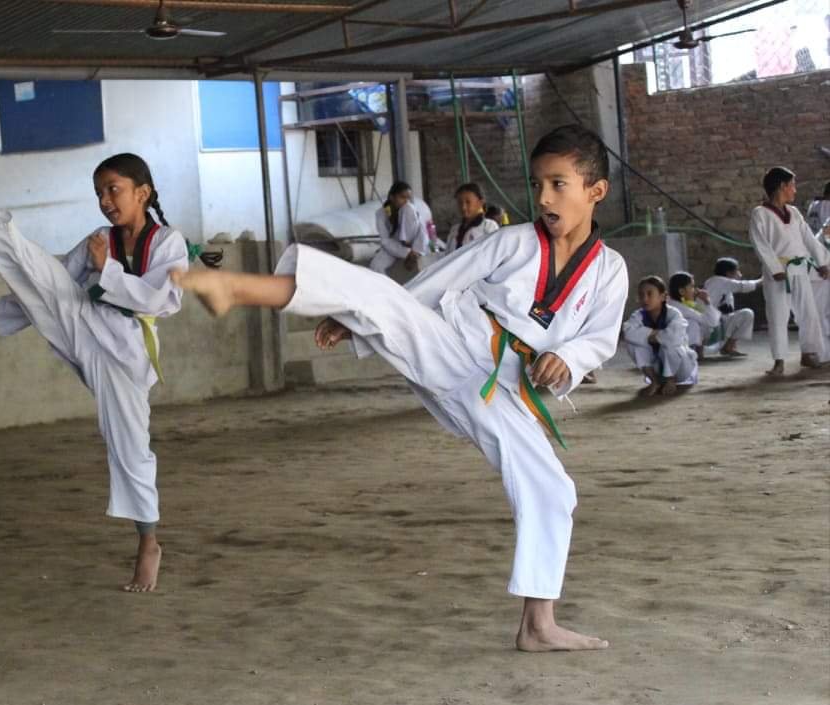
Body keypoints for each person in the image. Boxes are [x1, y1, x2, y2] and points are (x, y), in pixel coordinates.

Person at [172, 124, 627, 652]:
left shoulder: (609, 271)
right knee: (380, 293)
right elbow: (437, 281)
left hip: (504, 392)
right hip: (453, 344)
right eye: (538, 184)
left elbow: (599, 339)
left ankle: (537, 625)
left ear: (595, 191)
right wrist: (357, 320)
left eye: (558, 184)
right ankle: (236, 286)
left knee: (553, 489)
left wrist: (565, 358)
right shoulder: (514, 241)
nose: (544, 197)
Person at [0, 148, 208, 593]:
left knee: (129, 448)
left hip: (124, 352)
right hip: (84, 325)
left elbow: (162, 300)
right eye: (98, 193)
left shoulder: (167, 242)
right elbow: (51, 279)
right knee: (38, 270)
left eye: (112, 190)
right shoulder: (100, 237)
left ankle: (148, 542)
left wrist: (106, 269)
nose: (105, 201)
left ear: (143, 192)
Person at [748, 167, 830, 375]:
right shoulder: (760, 214)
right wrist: (775, 268)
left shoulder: (794, 212)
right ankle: (779, 361)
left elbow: (808, 238)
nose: (795, 190)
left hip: (800, 268)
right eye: (792, 185)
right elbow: (760, 243)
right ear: (782, 186)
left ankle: (808, 353)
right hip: (778, 272)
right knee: (778, 315)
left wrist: (822, 263)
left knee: (808, 312)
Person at [624, 276, 696, 396]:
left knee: (670, 345)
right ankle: (654, 381)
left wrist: (647, 336)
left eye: (649, 294)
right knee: (633, 344)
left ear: (663, 297)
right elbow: (628, 333)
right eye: (641, 295)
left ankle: (670, 380)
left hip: (680, 368)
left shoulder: (673, 314)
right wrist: (657, 333)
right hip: (657, 368)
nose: (645, 299)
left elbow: (673, 339)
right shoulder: (638, 315)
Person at [702, 257, 759, 357]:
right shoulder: (720, 281)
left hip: (715, 322)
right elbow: (744, 286)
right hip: (711, 326)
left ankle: (729, 347)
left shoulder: (716, 281)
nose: (739, 274)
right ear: (728, 273)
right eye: (737, 271)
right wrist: (763, 280)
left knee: (737, 316)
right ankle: (727, 346)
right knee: (747, 314)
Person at [369, 181, 428, 274]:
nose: (406, 201)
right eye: (402, 197)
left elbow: (422, 231)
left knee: (408, 208)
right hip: (394, 245)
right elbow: (385, 240)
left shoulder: (409, 208)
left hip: (414, 245)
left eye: (408, 198)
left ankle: (407, 244)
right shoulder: (381, 214)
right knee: (375, 265)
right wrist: (406, 253)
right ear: (392, 197)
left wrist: (415, 251)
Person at [667, 271, 723, 360]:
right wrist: (707, 301)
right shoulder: (680, 307)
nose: (696, 290)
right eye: (692, 287)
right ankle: (690, 354)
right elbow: (711, 322)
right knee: (693, 324)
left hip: (672, 344)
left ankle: (696, 352)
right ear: (681, 291)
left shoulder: (680, 303)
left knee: (701, 322)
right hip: (671, 347)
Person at [444, 183, 500, 253]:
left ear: (480, 203)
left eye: (468, 202)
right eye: (460, 202)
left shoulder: (489, 227)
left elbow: (494, 253)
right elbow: (448, 255)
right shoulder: (454, 230)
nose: (463, 207)